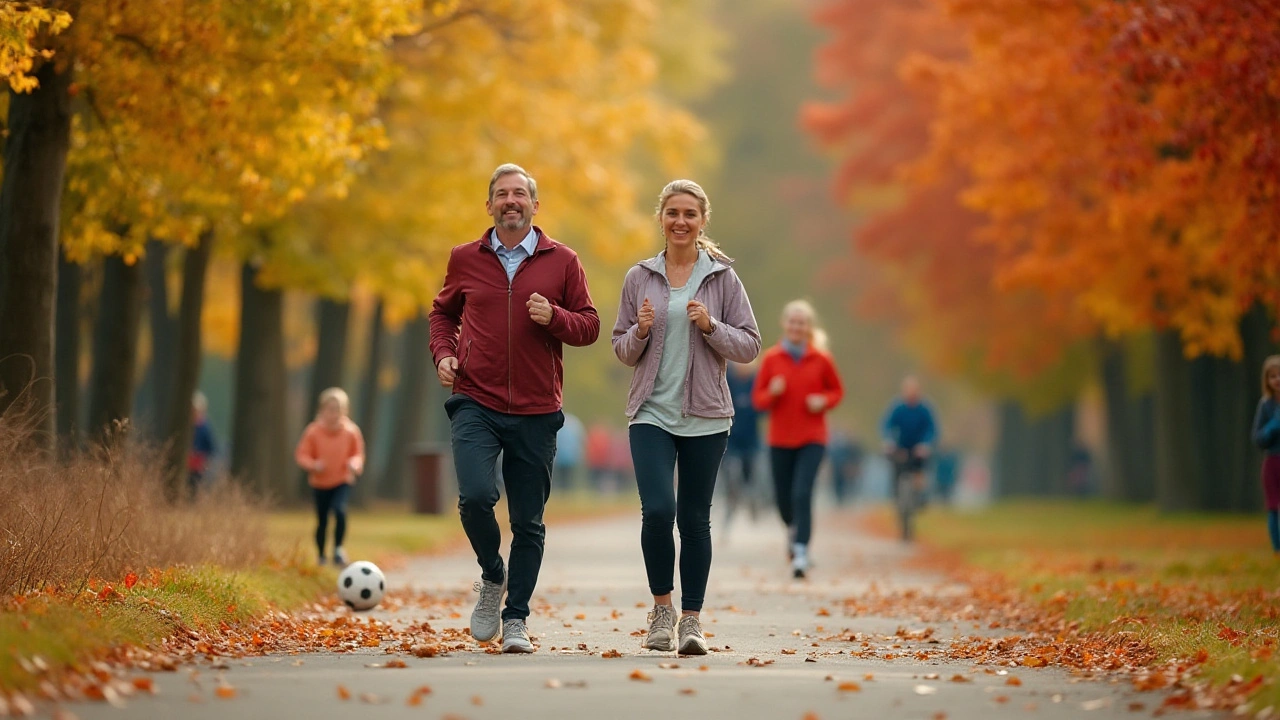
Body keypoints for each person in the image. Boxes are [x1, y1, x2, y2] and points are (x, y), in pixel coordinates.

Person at [429, 163, 600, 653]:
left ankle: (517, 618)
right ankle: (492, 573)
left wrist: (555, 318)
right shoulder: (465, 257)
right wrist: (444, 353)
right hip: (475, 399)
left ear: (534, 204)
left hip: (536, 408)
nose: (511, 201)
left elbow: (588, 326)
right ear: (489, 205)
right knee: (476, 497)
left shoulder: (562, 260)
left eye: (520, 193)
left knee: (528, 522)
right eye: (502, 194)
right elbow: (443, 312)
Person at [613, 179, 760, 655]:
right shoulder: (640, 276)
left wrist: (711, 326)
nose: (681, 221)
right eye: (672, 213)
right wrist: (639, 331)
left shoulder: (722, 278)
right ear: (661, 219)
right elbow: (620, 347)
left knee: (695, 520)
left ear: (702, 222)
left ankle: (692, 621)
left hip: (706, 415)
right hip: (651, 412)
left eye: (690, 214)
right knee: (658, 511)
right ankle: (661, 611)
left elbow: (750, 345)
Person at [752, 302, 845, 579]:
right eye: (792, 322)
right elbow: (758, 401)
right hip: (779, 439)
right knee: (784, 501)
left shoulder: (821, 359)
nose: (796, 327)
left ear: (809, 327)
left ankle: (801, 551)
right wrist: (773, 393)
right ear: (785, 324)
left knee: (802, 493)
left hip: (812, 438)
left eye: (802, 322)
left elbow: (837, 391)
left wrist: (823, 400)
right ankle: (794, 530)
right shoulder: (771, 359)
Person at [294, 387, 365, 567]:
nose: (334, 414)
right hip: (320, 482)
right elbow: (302, 454)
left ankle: (338, 549)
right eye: (330, 409)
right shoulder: (313, 431)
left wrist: (354, 464)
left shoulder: (351, 431)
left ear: (345, 411)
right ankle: (321, 555)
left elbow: (358, 454)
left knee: (340, 511)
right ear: (322, 410)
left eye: (338, 409)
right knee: (322, 520)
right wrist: (313, 465)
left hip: (342, 479)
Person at [881, 375, 939, 540]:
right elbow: (887, 425)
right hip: (900, 448)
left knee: (920, 473)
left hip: (918, 449)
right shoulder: (897, 408)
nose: (910, 393)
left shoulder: (925, 409)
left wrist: (926, 444)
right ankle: (898, 503)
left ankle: (921, 497)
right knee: (896, 475)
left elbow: (932, 429)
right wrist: (889, 441)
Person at [722, 360, 762, 528]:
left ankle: (752, 501)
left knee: (749, 476)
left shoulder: (756, 382)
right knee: (729, 475)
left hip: (750, 440)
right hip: (729, 438)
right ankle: (730, 505)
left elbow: (763, 407)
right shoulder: (727, 380)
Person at [1252, 355, 1280, 554]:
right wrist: (1273, 426)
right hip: (1272, 462)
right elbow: (1257, 438)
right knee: (1273, 507)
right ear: (1267, 380)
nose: (1277, 379)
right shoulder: (1266, 405)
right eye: (1273, 376)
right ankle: (1277, 548)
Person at [187, 390, 218, 499]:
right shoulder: (187, 426)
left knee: (195, 491)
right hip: (186, 466)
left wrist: (204, 462)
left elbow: (211, 448)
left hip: (199, 467)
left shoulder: (205, 427)